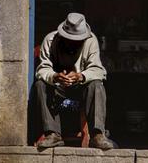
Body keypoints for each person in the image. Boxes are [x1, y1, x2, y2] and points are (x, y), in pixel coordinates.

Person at [34, 12, 114, 150]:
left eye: (77, 40)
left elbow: (98, 70)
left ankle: (97, 135)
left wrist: (80, 76)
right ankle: (53, 134)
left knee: (96, 85)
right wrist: (54, 76)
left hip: (80, 88)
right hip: (57, 88)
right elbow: (42, 69)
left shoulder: (91, 40)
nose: (73, 43)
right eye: (69, 39)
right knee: (40, 84)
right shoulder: (50, 40)